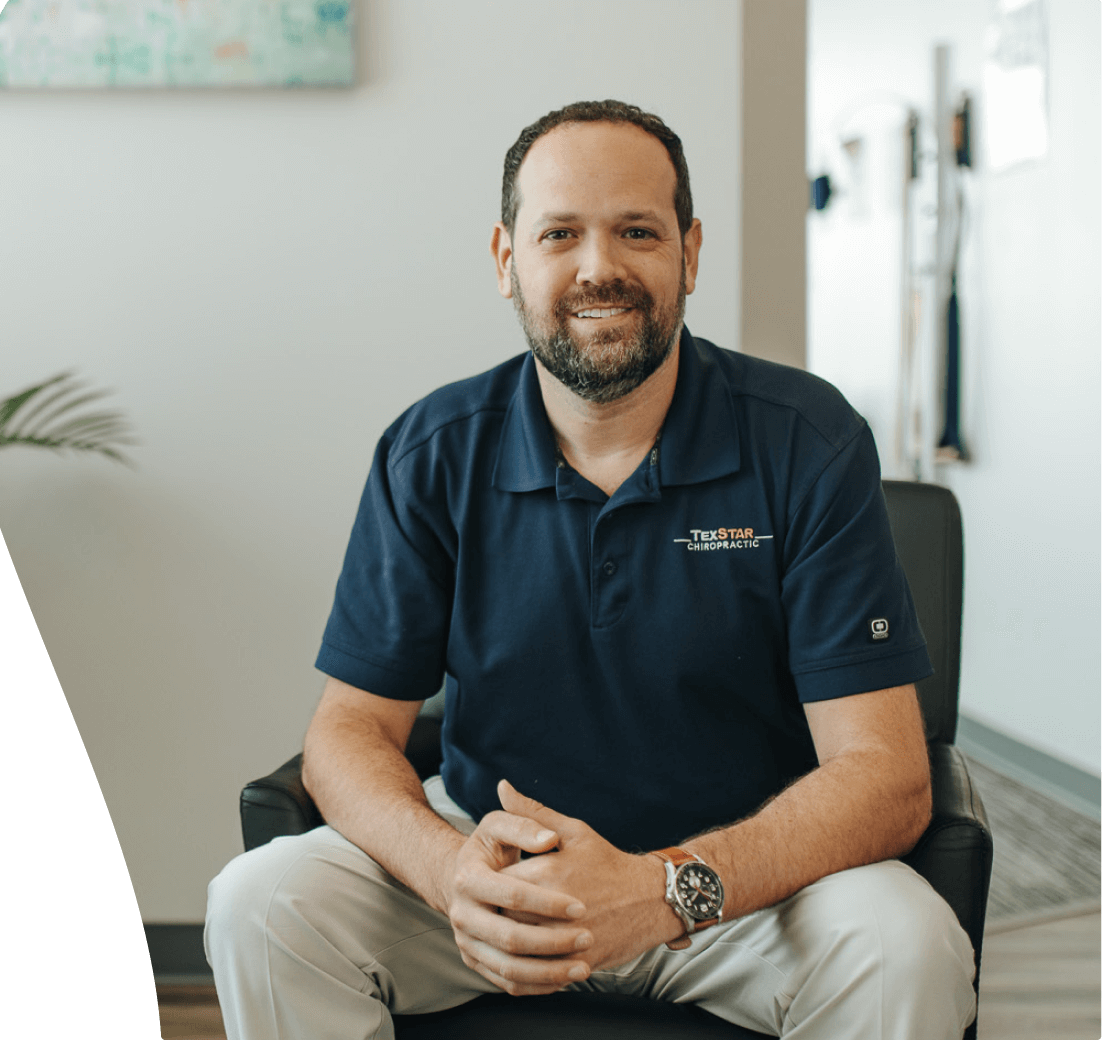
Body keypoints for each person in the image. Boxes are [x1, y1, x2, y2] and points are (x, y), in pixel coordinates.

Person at [206, 100, 977, 1039]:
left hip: (742, 892)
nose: (598, 267)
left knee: (904, 943)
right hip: (498, 884)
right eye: (559, 232)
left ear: (690, 252)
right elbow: (348, 731)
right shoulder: (431, 452)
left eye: (637, 231)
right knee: (260, 902)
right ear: (506, 259)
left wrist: (663, 890)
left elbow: (884, 772)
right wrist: (453, 875)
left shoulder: (806, 442)